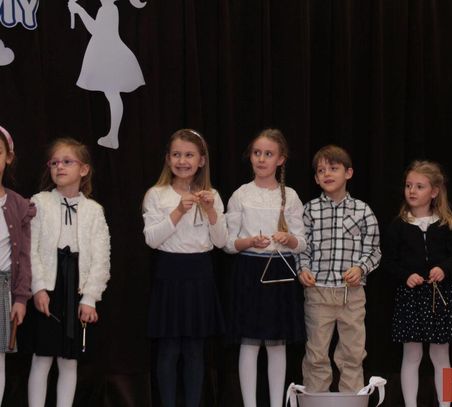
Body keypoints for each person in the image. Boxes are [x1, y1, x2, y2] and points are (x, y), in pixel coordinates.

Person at [142, 129, 227, 407]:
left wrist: (211, 211)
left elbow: (221, 241)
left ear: (201, 160)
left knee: (194, 350)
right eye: (176, 155)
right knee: (168, 349)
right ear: (168, 159)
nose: (182, 161)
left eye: (189, 155)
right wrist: (178, 211)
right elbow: (152, 240)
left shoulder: (212, 195)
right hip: (169, 273)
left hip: (200, 274)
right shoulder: (156, 194)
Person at [26, 138, 111, 407]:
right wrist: (38, 287)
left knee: (69, 361)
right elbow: (30, 249)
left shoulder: (94, 211)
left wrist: (90, 298)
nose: (59, 167)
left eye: (66, 162)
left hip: (76, 288)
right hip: (49, 286)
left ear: (83, 169)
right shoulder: (39, 202)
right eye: (54, 163)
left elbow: (101, 258)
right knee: (41, 357)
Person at [225, 128, 306, 407]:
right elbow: (228, 243)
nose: (261, 159)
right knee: (249, 342)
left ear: (280, 160)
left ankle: (276, 403)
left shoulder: (290, 196)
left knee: (276, 342)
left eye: (268, 154)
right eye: (257, 153)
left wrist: (288, 238)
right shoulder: (241, 194)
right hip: (248, 271)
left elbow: (301, 242)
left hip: (279, 272)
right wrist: (249, 241)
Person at [382, 160, 452, 407]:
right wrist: (406, 275)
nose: (412, 191)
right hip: (412, 297)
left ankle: (445, 404)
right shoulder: (398, 226)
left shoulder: (448, 224)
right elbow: (389, 262)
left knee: (440, 355)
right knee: (412, 354)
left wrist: (444, 269)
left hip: (441, 296)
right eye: (409, 185)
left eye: (419, 186)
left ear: (434, 191)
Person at [298, 145, 381, 393]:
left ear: (348, 173)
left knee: (352, 354)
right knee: (316, 354)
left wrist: (361, 269)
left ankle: (351, 400)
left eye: (333, 168)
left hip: (351, 294)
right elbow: (302, 247)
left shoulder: (363, 210)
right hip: (318, 292)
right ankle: (315, 400)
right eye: (321, 170)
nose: (327, 174)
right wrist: (303, 268)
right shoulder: (309, 210)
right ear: (316, 178)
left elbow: (374, 251)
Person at [67, 0, 146, 149]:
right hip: (107, 52)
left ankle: (113, 135)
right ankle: (112, 135)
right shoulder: (108, 9)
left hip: (109, 55)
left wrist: (80, 11)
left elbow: (95, 30)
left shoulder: (108, 9)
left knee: (112, 94)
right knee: (112, 94)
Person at [0, 126, 35, 401]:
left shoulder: (18, 204)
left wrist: (21, 298)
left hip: (3, 288)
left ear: (8, 157)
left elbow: (23, 255)